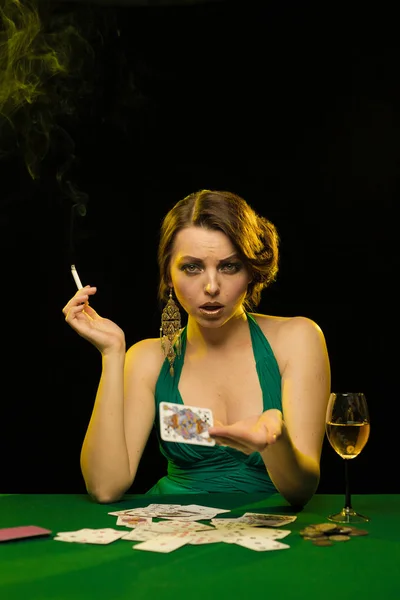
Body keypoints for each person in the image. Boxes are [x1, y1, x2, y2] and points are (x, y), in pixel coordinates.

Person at [62, 189, 331, 507]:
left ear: (251, 271)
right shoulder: (149, 359)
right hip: (170, 531)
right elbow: (105, 488)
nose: (212, 286)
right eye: (192, 267)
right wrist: (111, 354)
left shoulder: (298, 339)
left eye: (229, 266)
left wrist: (275, 443)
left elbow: (301, 491)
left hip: (268, 532)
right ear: (169, 275)